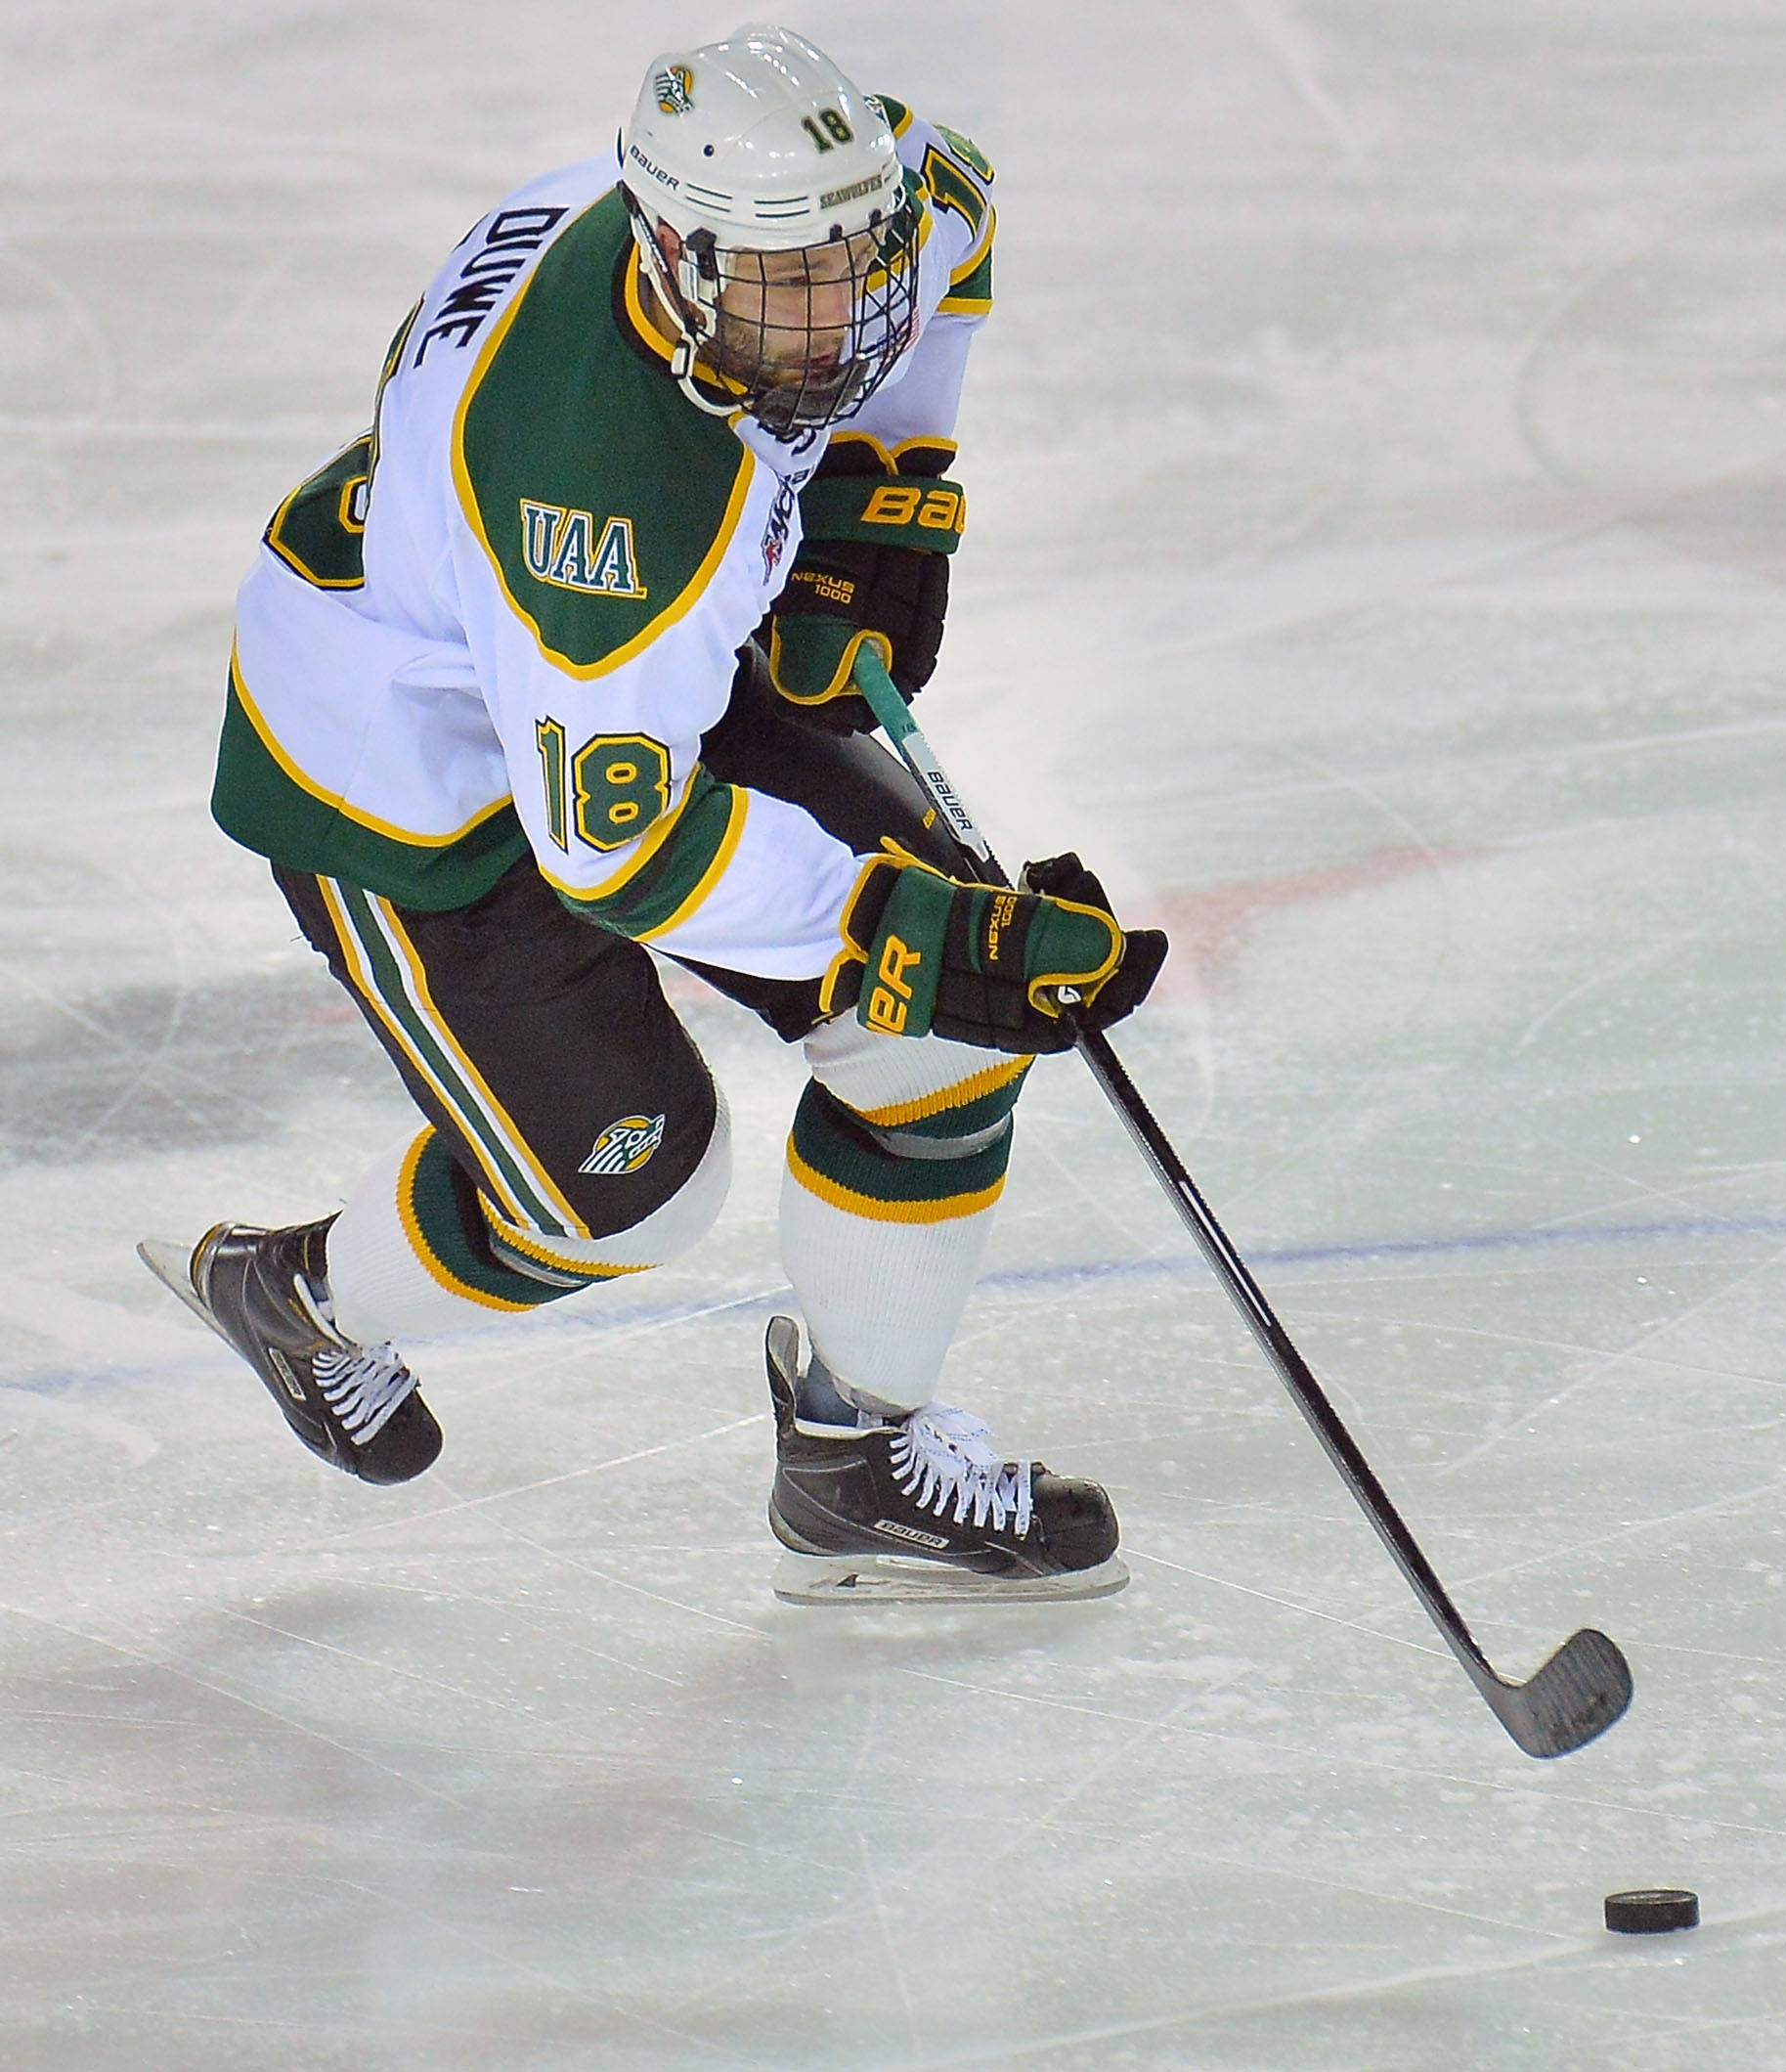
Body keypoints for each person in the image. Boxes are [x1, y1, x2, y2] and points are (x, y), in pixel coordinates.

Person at [143, 23, 1165, 1603]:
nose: (837, 315)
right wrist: (903, 924)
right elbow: (622, 851)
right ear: (678, 256)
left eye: (851, 262)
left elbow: (952, 228)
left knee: (946, 1047)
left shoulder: (819, 225)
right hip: (407, 785)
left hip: (618, 688)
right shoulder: (603, 494)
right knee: (629, 1188)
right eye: (784, 285)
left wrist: (875, 503)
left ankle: (856, 1462)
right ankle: (301, 1295)